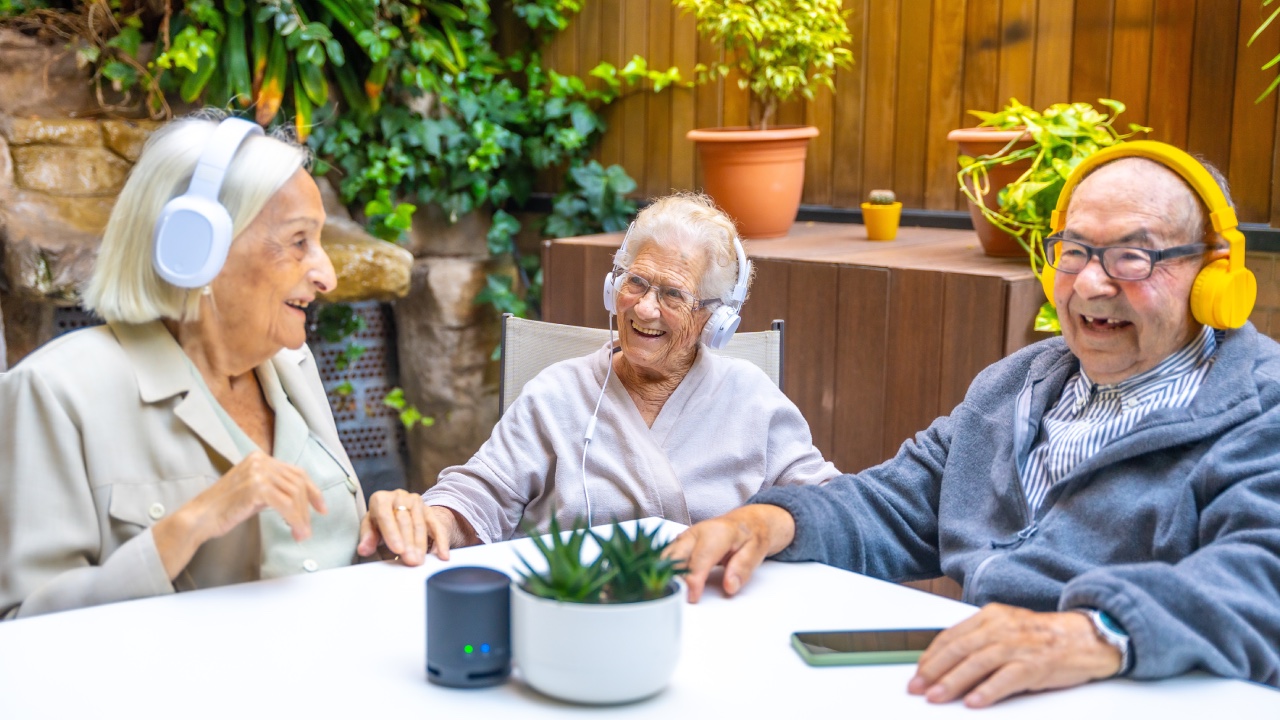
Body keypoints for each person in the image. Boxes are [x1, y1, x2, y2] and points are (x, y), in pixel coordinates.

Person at [667, 142, 1280, 707]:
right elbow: (902, 503)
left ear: (1215, 273)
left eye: (1132, 257)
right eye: (1073, 252)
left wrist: (1096, 632)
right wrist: (775, 519)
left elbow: (1259, 580)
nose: (1091, 283)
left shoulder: (1263, 407)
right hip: (982, 690)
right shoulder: (1017, 384)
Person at [0, 115, 430, 619]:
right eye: (298, 242)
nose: (327, 276)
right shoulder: (55, 392)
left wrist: (380, 531)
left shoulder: (290, 365)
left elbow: (315, 558)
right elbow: (21, 625)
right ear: (195, 249)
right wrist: (191, 525)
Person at [418, 193, 838, 554]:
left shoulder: (751, 398)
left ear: (715, 319)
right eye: (635, 282)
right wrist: (434, 519)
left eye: (674, 294)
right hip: (574, 612)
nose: (644, 308)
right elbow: (480, 492)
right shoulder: (557, 394)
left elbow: (831, 505)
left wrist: (764, 526)